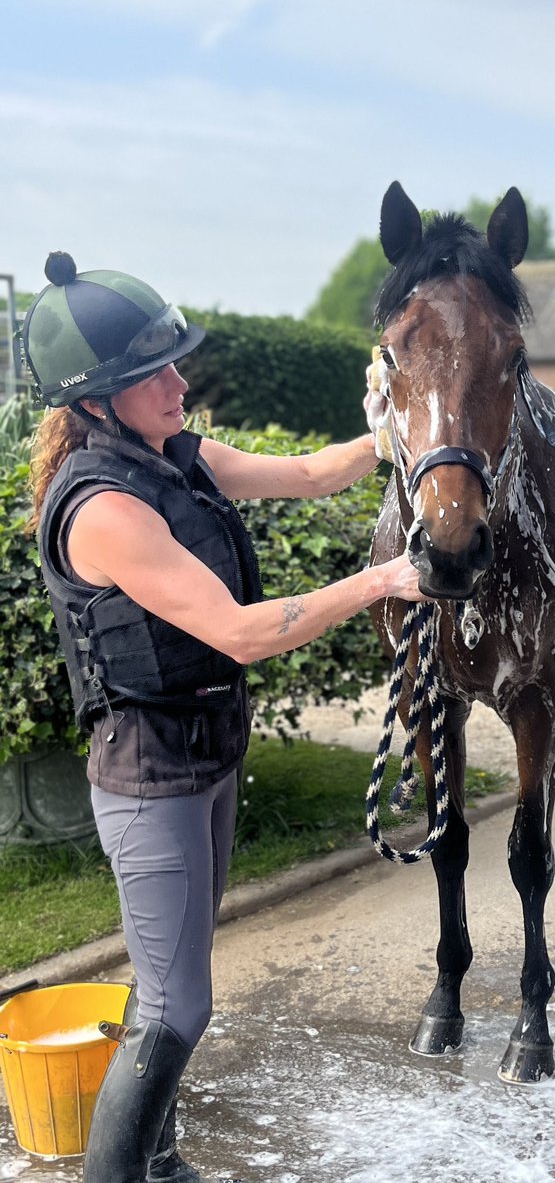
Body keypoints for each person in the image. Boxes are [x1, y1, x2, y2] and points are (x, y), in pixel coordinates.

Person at [22, 251, 422, 1183]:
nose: (179, 382)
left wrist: (388, 433)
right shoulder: (105, 508)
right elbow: (240, 633)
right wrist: (382, 581)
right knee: (177, 1006)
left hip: (205, 758)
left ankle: (158, 1163)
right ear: (93, 404)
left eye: (173, 361)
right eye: (149, 375)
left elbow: (312, 475)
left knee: (170, 986)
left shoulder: (175, 457)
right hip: (149, 775)